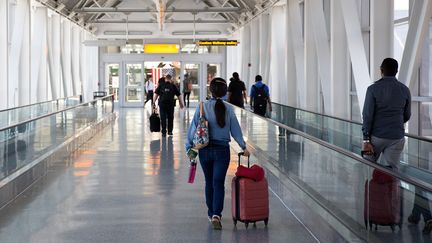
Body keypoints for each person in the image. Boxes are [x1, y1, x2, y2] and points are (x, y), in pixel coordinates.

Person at [185, 77, 250, 230]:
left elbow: (193, 129)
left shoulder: (202, 106)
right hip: (222, 151)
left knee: (209, 182)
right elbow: (236, 130)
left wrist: (190, 148)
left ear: (211, 91)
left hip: (205, 150)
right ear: (225, 92)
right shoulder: (229, 109)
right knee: (218, 183)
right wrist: (243, 147)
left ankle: (211, 213)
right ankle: (216, 214)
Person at [361, 58, 411, 171]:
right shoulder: (405, 90)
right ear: (396, 71)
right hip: (397, 137)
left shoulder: (372, 89)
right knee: (393, 170)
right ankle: (393, 189)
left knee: (367, 165)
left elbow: (367, 116)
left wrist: (366, 140)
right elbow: (407, 115)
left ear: (381, 70)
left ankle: (368, 187)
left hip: (375, 138)